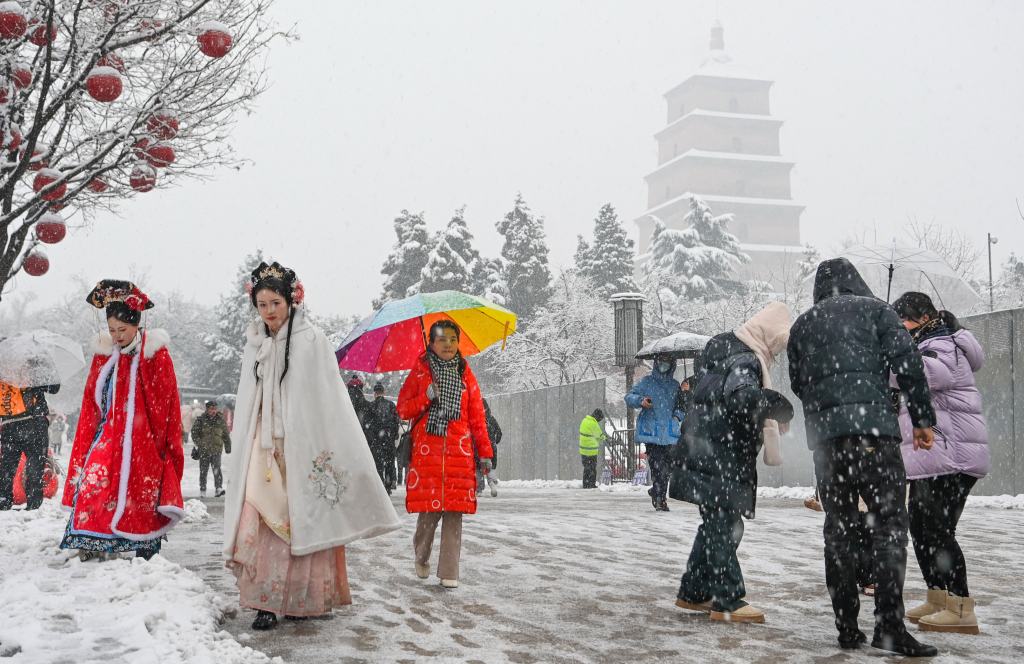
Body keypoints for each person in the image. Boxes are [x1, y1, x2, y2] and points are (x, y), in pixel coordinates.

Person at [223, 262, 401, 631]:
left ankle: (303, 599)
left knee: (306, 518)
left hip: (303, 444)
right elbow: (249, 395)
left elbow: (326, 398)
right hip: (264, 445)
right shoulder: (256, 342)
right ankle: (265, 601)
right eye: (262, 304)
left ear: (291, 300)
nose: (269, 311)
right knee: (260, 516)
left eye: (275, 302)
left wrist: (312, 433)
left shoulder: (311, 339)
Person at [787, 258, 938, 657]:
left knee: (839, 528)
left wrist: (829, 413)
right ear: (856, 281)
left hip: (826, 442)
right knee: (889, 526)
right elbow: (910, 365)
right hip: (874, 435)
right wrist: (921, 419)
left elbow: (798, 382)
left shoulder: (803, 324)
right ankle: (889, 626)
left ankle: (846, 627)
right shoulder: (877, 311)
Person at [671, 302, 795, 623]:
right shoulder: (745, 360)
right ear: (768, 338)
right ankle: (727, 599)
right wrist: (777, 403)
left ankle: (694, 592)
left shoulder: (725, 358)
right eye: (777, 348)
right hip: (718, 457)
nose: (776, 355)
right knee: (725, 525)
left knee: (716, 523)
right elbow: (742, 397)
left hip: (706, 453)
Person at [59, 280, 184, 560]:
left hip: (142, 438)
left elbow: (165, 404)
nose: (117, 336)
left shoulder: (155, 355)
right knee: (92, 482)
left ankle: (142, 541)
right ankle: (92, 540)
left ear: (137, 326)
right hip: (107, 432)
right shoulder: (105, 356)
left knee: (139, 493)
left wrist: (155, 442)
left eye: (123, 330)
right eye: (112, 330)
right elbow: (92, 399)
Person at [891, 292, 988, 635]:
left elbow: (926, 375)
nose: (899, 327)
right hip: (934, 457)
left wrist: (888, 356)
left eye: (902, 320)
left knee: (937, 531)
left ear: (922, 317)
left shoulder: (943, 341)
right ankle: (939, 598)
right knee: (921, 528)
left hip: (953, 455)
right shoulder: (925, 341)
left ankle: (961, 607)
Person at [397, 320, 493, 589]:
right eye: (442, 339)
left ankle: (449, 571)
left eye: (452, 339)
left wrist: (484, 452)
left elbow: (477, 418)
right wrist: (425, 397)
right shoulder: (418, 373)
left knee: (454, 513)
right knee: (428, 514)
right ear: (431, 342)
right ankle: (421, 556)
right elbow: (403, 410)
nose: (448, 344)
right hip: (427, 454)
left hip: (459, 453)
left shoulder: (466, 375)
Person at [624, 353, 682, 511]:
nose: (664, 364)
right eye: (661, 360)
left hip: (670, 433)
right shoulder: (646, 382)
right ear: (656, 362)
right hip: (652, 433)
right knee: (658, 468)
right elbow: (629, 396)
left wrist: (677, 416)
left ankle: (656, 491)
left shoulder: (676, 385)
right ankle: (660, 500)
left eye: (667, 361)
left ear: (672, 363)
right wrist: (640, 401)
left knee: (669, 468)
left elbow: (682, 405)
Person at [0, 383, 60, 510]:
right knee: (35, 468)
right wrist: (34, 381)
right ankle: (33, 504)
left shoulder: (3, 368)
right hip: (35, 422)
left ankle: (4, 501)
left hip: (9, 423)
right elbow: (54, 388)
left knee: (6, 469)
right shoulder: (34, 366)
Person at [364, 383, 399, 495]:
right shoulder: (391, 405)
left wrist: (371, 439)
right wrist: (393, 435)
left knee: (378, 464)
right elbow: (395, 422)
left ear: (374, 393)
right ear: (384, 393)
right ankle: (388, 487)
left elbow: (367, 425)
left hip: (376, 441)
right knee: (389, 463)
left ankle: (380, 487)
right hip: (388, 440)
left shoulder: (371, 406)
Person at [191, 400, 232, 498]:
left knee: (217, 470)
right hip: (204, 450)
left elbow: (225, 434)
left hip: (216, 449)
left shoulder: (220, 420)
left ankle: (218, 488)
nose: (214, 411)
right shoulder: (201, 420)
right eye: (212, 409)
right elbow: (194, 433)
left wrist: (228, 447)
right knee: (203, 471)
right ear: (207, 409)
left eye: (216, 409)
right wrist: (200, 443)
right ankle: (203, 489)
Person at [476, 398, 502, 497]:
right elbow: (499, 433)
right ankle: (492, 484)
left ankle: (479, 490)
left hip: (478, 448)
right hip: (491, 447)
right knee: (489, 467)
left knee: (479, 469)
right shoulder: (491, 419)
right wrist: (494, 442)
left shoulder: (476, 420)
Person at [579, 409, 606, 489]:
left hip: (583, 449)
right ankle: (591, 484)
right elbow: (600, 436)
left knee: (586, 468)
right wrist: (605, 438)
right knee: (592, 468)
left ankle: (585, 484)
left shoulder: (585, 420)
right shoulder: (593, 424)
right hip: (591, 450)